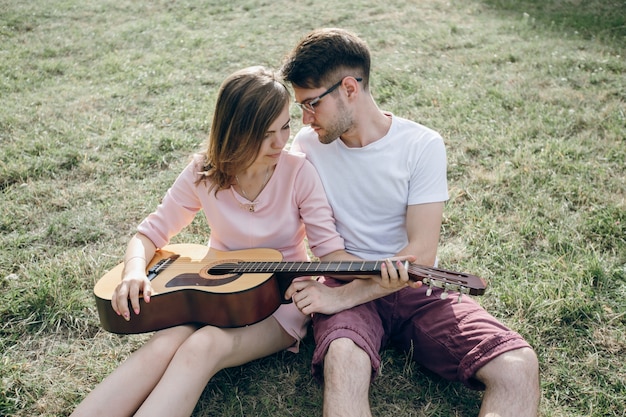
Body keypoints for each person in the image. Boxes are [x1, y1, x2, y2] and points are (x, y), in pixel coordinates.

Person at [71, 66, 400, 417]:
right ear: (236, 133)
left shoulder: (298, 173)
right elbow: (150, 233)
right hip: (211, 295)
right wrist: (133, 272)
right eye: (265, 134)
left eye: (285, 127)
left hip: (277, 305)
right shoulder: (204, 172)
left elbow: (329, 252)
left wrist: (379, 273)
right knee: (162, 345)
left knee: (203, 346)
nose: (280, 142)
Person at [281, 28, 541, 417]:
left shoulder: (422, 145)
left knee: (518, 365)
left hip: (416, 287)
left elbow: (420, 254)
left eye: (312, 104)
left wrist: (342, 298)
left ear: (349, 88)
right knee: (343, 360)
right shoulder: (307, 145)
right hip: (344, 275)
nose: (304, 117)